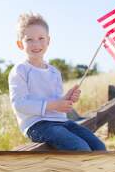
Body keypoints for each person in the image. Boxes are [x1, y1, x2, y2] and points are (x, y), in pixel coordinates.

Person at [8, 12, 106, 151]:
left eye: (41, 38)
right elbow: (19, 105)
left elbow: (55, 101)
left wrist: (66, 99)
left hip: (61, 122)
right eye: (29, 39)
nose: (36, 44)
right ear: (20, 44)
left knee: (99, 146)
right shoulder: (20, 70)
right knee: (80, 148)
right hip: (37, 125)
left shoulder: (54, 72)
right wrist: (55, 105)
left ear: (48, 40)